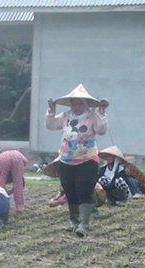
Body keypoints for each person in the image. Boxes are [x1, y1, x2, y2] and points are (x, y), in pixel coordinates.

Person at [46, 84, 109, 237]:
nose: (76, 105)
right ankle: (73, 220)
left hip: (87, 160)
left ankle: (84, 223)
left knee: (84, 190)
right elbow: (50, 125)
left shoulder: (92, 116)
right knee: (69, 190)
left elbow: (101, 130)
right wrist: (51, 110)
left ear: (86, 103)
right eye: (74, 102)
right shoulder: (66, 116)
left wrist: (101, 112)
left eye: (80, 102)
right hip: (66, 160)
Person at [0, 149, 29, 213]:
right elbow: (21, 183)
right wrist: (10, 191)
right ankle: (19, 207)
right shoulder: (16, 152)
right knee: (18, 183)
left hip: (2, 158)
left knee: (0, 183)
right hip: (19, 156)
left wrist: (5, 192)